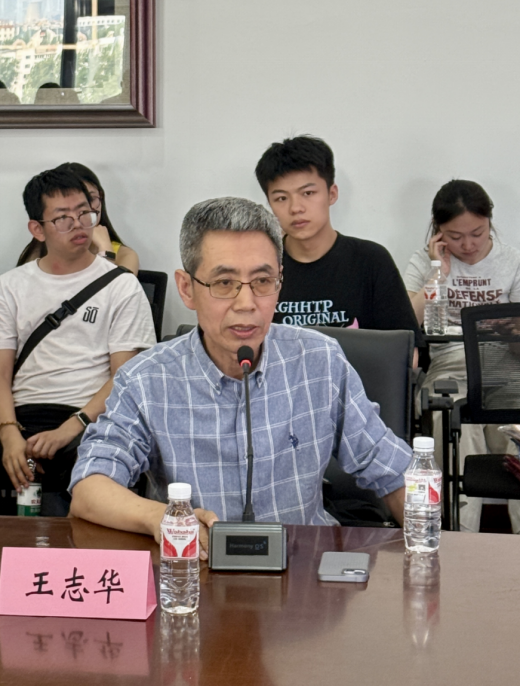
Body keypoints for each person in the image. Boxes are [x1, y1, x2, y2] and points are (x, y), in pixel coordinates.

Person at [70, 197, 412, 557]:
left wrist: (429, 552)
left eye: (263, 281)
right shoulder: (146, 379)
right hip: (196, 573)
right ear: (187, 288)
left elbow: (396, 472)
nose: (246, 303)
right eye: (224, 282)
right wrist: (161, 517)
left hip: (305, 569)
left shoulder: (319, 361)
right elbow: (90, 487)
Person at [0, 169, 156, 516]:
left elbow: (124, 378)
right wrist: (8, 433)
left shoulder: (121, 286)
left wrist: (70, 429)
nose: (79, 225)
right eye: (63, 218)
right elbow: (1, 374)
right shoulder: (10, 286)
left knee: (91, 485)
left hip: (89, 417)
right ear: (37, 229)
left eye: (85, 213)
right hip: (21, 415)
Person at [405, 179, 520, 532]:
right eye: (455, 236)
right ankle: (459, 535)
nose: (468, 245)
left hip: (503, 363)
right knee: (452, 417)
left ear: (490, 223)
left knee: (515, 427)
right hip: (451, 362)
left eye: (478, 233)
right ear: (438, 232)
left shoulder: (512, 260)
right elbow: (406, 322)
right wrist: (437, 273)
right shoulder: (423, 261)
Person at [254, 135, 423, 353]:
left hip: (357, 376)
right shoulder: (260, 267)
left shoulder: (371, 261)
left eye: (308, 193)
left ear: (332, 194)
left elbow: (407, 354)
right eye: (281, 198)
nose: (296, 208)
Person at [17, 162, 139, 275]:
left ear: (101, 197)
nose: (86, 210)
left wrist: (105, 250)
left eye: (90, 199)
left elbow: (114, 288)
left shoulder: (125, 255)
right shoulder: (39, 251)